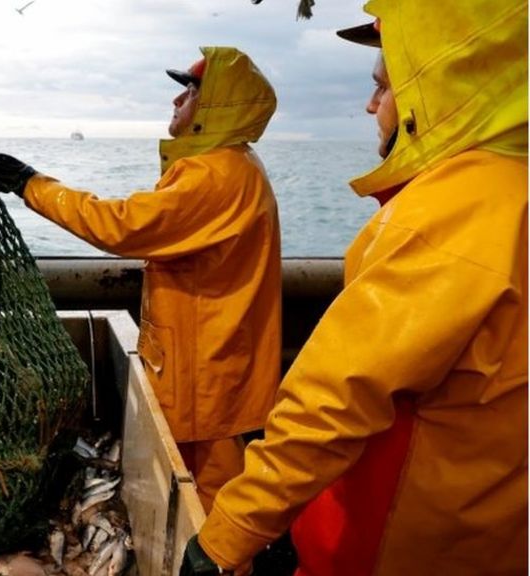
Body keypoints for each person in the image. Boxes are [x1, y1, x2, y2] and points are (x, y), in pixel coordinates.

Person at [181, 1, 528, 574]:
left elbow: (334, 400)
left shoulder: (451, 213)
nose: (371, 106)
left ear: (436, 92)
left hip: (389, 551)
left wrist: (225, 538)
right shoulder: (514, 192)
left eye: (384, 88)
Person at [0, 46, 282, 514]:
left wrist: (32, 184)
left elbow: (122, 225)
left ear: (216, 107)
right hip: (211, 360)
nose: (176, 101)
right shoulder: (230, 168)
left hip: (206, 370)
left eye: (190, 90)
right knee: (205, 484)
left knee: (211, 496)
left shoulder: (215, 175)